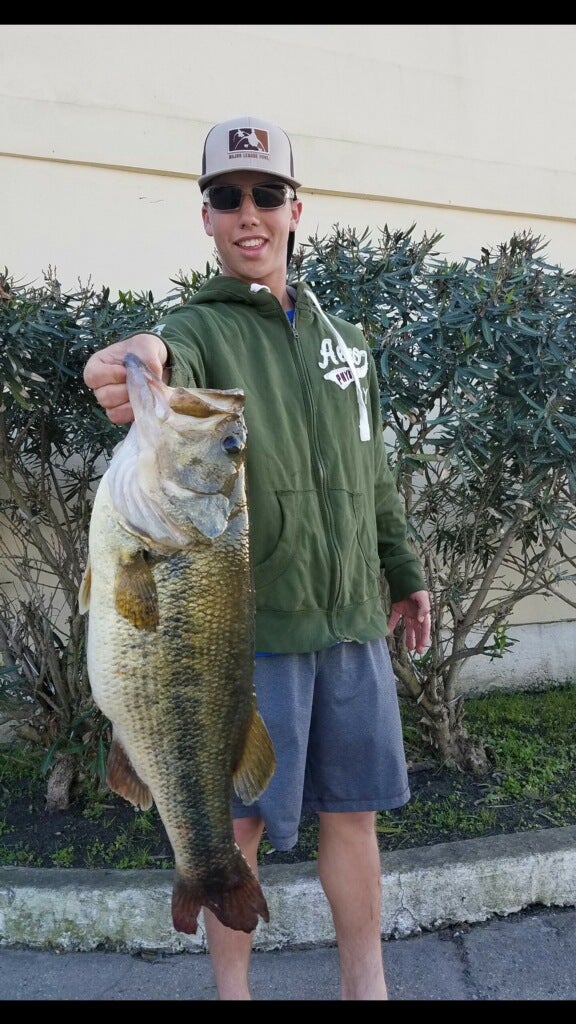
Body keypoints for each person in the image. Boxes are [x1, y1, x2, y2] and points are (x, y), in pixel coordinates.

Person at [83, 115, 431, 1001]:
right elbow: (160, 357)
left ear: (294, 208)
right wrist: (136, 362)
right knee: (230, 822)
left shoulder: (347, 341)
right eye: (227, 197)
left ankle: (368, 986)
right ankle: (233, 995)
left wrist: (405, 573)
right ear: (205, 216)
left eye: (266, 194)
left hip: (350, 616)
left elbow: (373, 468)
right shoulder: (199, 327)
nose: (249, 213)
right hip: (250, 632)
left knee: (352, 819)